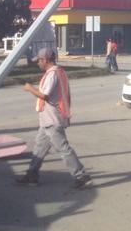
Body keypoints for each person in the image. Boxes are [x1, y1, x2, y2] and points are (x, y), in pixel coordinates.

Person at [16, 47, 92, 189]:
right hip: (47, 120)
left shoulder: (53, 74)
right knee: (39, 148)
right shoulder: (57, 71)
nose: (38, 63)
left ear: (45, 60)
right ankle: (32, 175)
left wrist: (30, 88)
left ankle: (82, 176)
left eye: (39, 60)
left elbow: (45, 95)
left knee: (63, 149)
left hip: (52, 119)